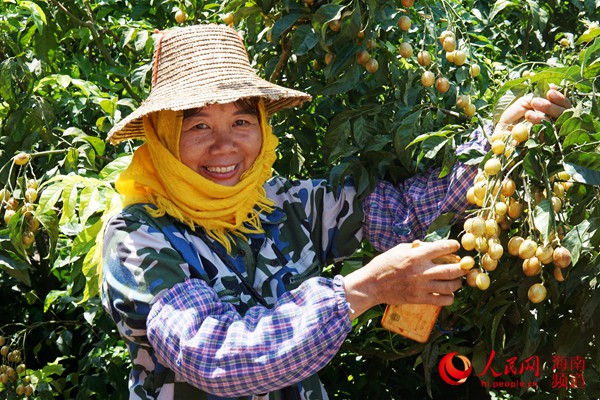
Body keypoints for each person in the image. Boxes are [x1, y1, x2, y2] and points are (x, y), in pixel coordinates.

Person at [101, 24, 571, 400]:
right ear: (161, 137)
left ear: (263, 128)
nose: (225, 145)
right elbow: (216, 357)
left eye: (241, 121)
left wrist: (495, 142)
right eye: (198, 125)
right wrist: (361, 290)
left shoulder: (282, 204)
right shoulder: (140, 237)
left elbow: (401, 211)